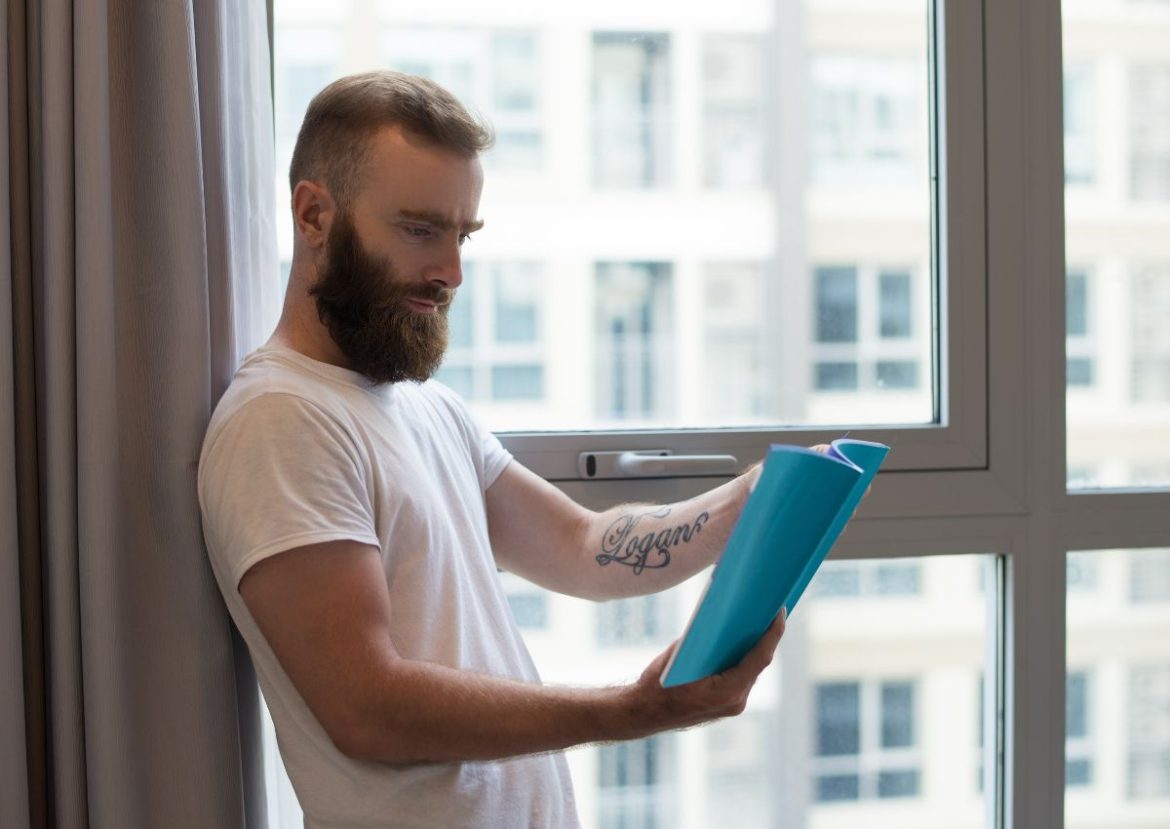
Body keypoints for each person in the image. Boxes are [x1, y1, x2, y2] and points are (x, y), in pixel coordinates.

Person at [198, 71, 786, 829]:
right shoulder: (280, 421)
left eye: (461, 234)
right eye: (418, 230)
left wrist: (752, 503)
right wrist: (630, 710)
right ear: (314, 214)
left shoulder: (425, 406)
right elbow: (365, 708)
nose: (451, 271)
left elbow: (581, 544)